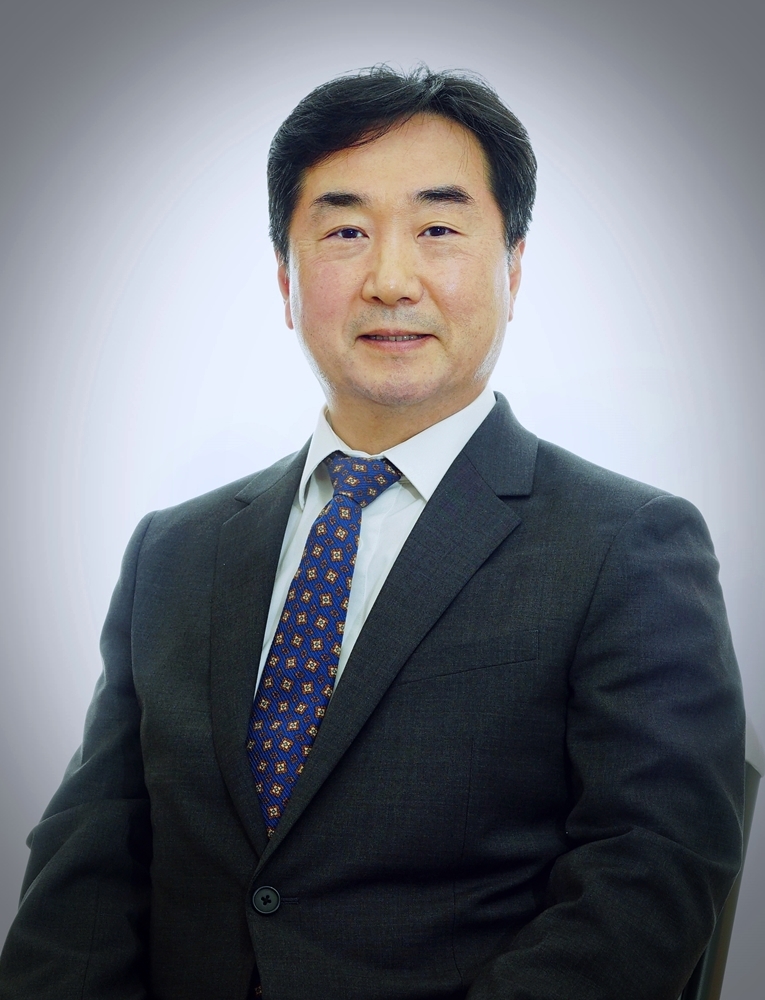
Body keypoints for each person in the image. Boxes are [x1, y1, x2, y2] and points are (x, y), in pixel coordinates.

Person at [0, 65, 745, 1000]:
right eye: (345, 232)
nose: (391, 281)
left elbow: (650, 876)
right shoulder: (173, 552)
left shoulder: (626, 545)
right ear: (286, 279)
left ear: (513, 269)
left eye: (438, 230)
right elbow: (86, 865)